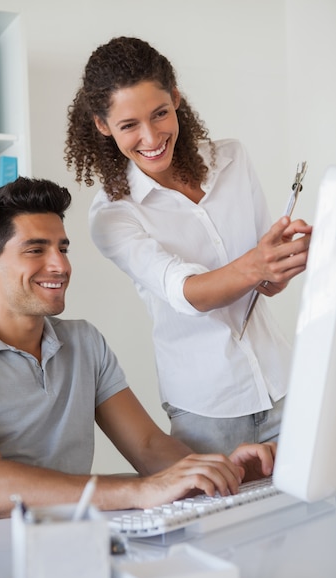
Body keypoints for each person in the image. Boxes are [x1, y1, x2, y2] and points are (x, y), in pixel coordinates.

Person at [0, 177, 276, 528]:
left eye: (63, 248)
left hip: (62, 534)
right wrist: (139, 491)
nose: (60, 265)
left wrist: (223, 471)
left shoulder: (83, 342)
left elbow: (149, 446)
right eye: (36, 250)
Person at [65, 36, 312, 455]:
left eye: (160, 113)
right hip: (207, 409)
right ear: (103, 126)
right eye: (129, 125)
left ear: (176, 98)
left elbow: (262, 283)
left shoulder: (231, 160)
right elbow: (187, 291)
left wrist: (281, 264)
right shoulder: (113, 216)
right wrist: (257, 265)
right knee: (221, 520)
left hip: (282, 383)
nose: (151, 136)